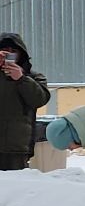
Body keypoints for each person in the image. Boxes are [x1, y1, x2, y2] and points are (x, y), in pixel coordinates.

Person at [0, 33, 51, 172]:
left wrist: (21, 79)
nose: (9, 55)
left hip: (16, 147)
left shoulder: (33, 77)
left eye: (14, 51)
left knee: (15, 189)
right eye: (5, 51)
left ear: (21, 54)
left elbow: (39, 100)